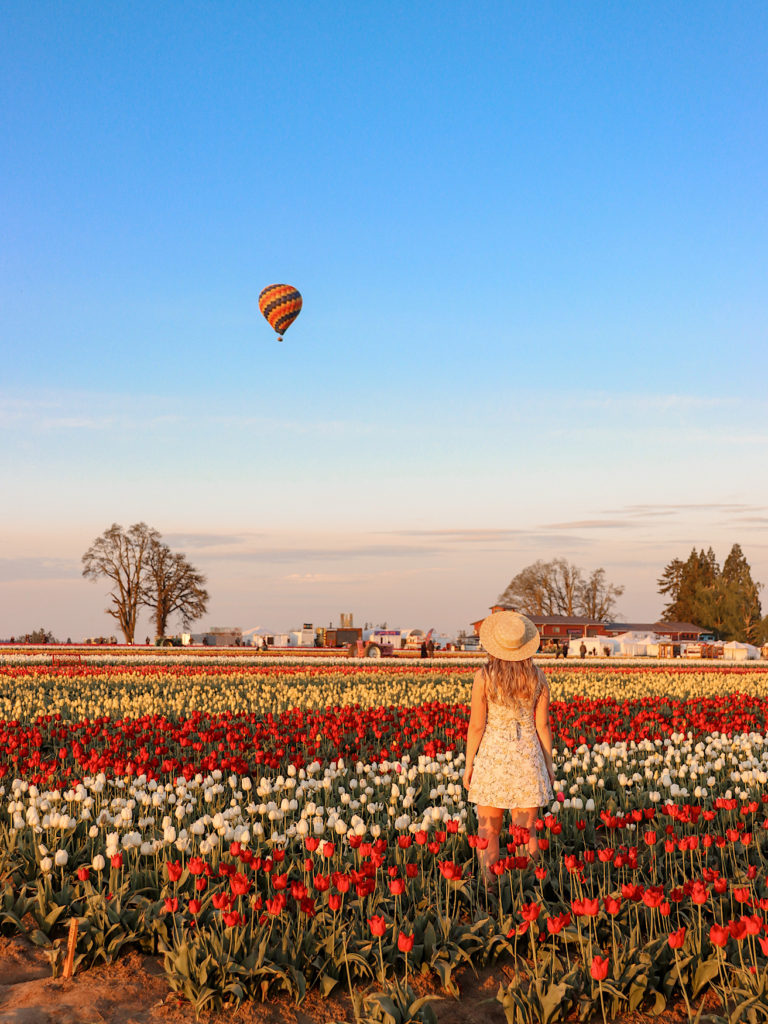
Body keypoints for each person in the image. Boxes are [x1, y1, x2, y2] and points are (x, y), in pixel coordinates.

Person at [462, 610, 555, 880]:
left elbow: (477, 726)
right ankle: (529, 893)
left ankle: (491, 894)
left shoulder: (484, 677)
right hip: (527, 759)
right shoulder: (538, 677)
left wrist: (469, 765)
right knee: (527, 833)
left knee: (487, 832)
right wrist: (548, 765)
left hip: (493, 760)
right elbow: (543, 726)